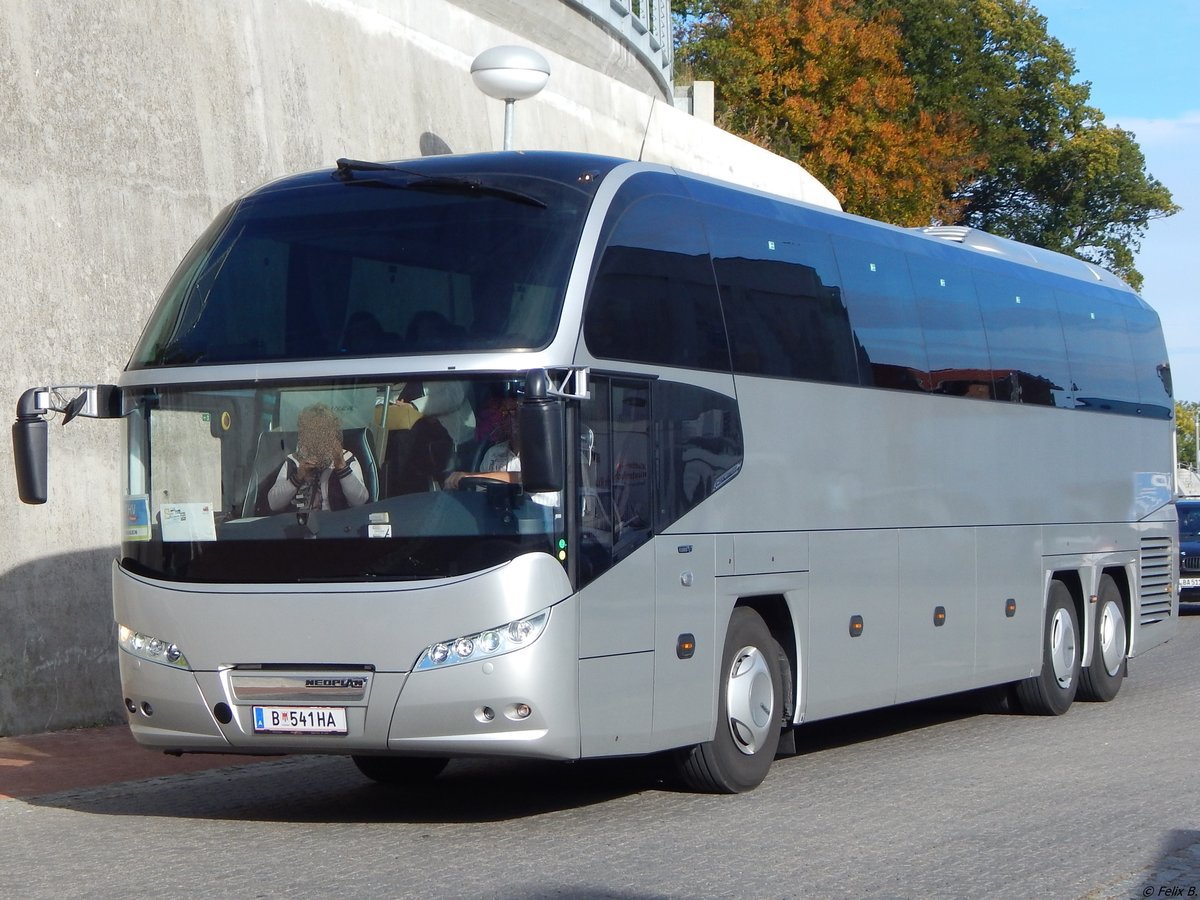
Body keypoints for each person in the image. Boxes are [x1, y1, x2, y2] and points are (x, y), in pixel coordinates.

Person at [267, 403, 369, 512]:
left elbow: (360, 501)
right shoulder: (293, 461)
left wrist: (341, 467)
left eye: (323, 432)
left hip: (335, 522)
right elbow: (274, 504)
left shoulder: (346, 458)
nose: (317, 439)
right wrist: (297, 477)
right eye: (312, 433)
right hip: (299, 523)